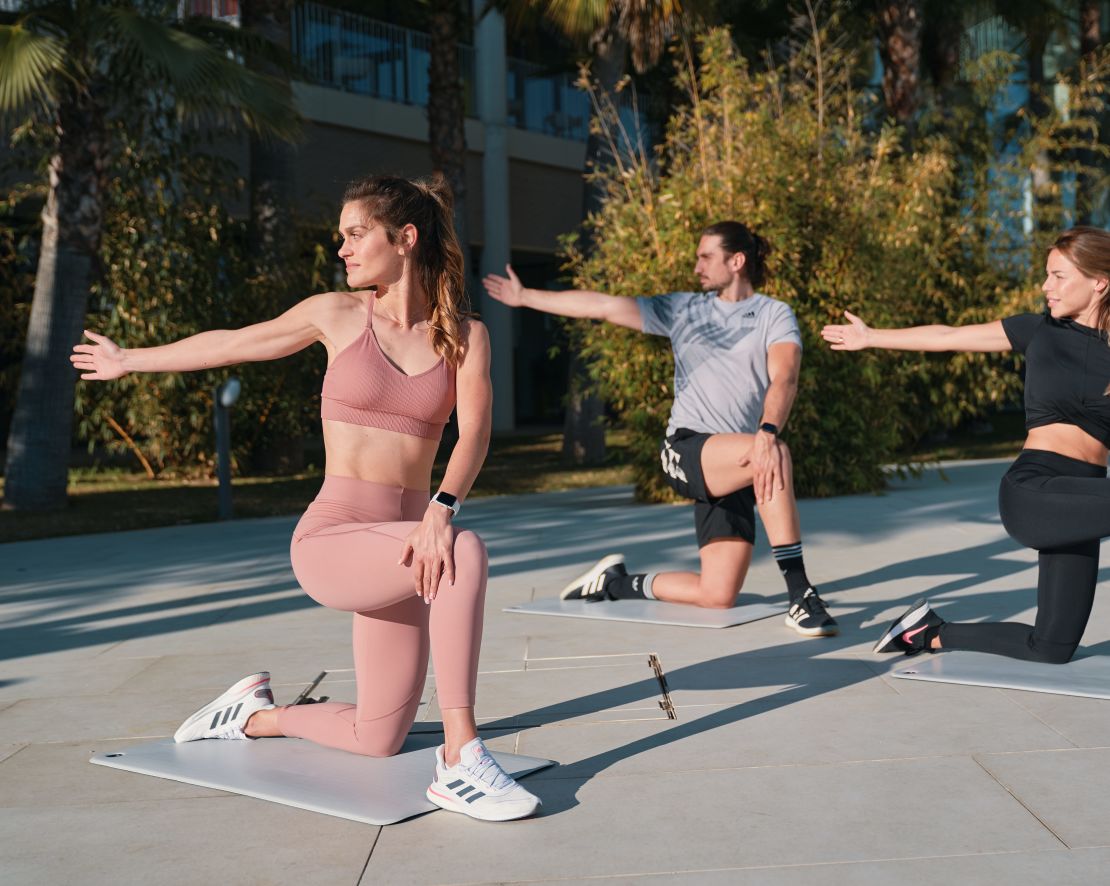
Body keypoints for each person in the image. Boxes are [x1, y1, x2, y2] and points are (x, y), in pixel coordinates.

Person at [70, 174, 540, 821]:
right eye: (339, 237)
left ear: (404, 238)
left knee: (378, 738)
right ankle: (461, 757)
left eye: (354, 235)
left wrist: (440, 507)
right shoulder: (338, 315)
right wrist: (130, 360)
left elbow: (476, 436)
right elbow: (234, 343)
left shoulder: (464, 334)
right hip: (336, 538)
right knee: (464, 552)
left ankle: (254, 717)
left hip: (406, 550)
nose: (341, 250)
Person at [482, 221, 838, 637]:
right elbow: (603, 306)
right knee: (773, 453)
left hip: (739, 459)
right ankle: (801, 594)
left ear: (736, 261)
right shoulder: (683, 308)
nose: (696, 266)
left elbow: (785, 378)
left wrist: (767, 430)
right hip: (686, 449)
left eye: (706, 257)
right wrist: (525, 296)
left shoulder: (774, 314)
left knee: (717, 594)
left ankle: (614, 583)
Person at [822, 227, 1110, 663]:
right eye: (1046, 275)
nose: (1045, 286)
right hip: (1036, 492)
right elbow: (947, 336)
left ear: (1099, 282)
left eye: (1058, 276)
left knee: (1051, 648)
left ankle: (928, 631)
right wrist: (873, 336)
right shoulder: (1037, 331)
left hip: (1086, 502)